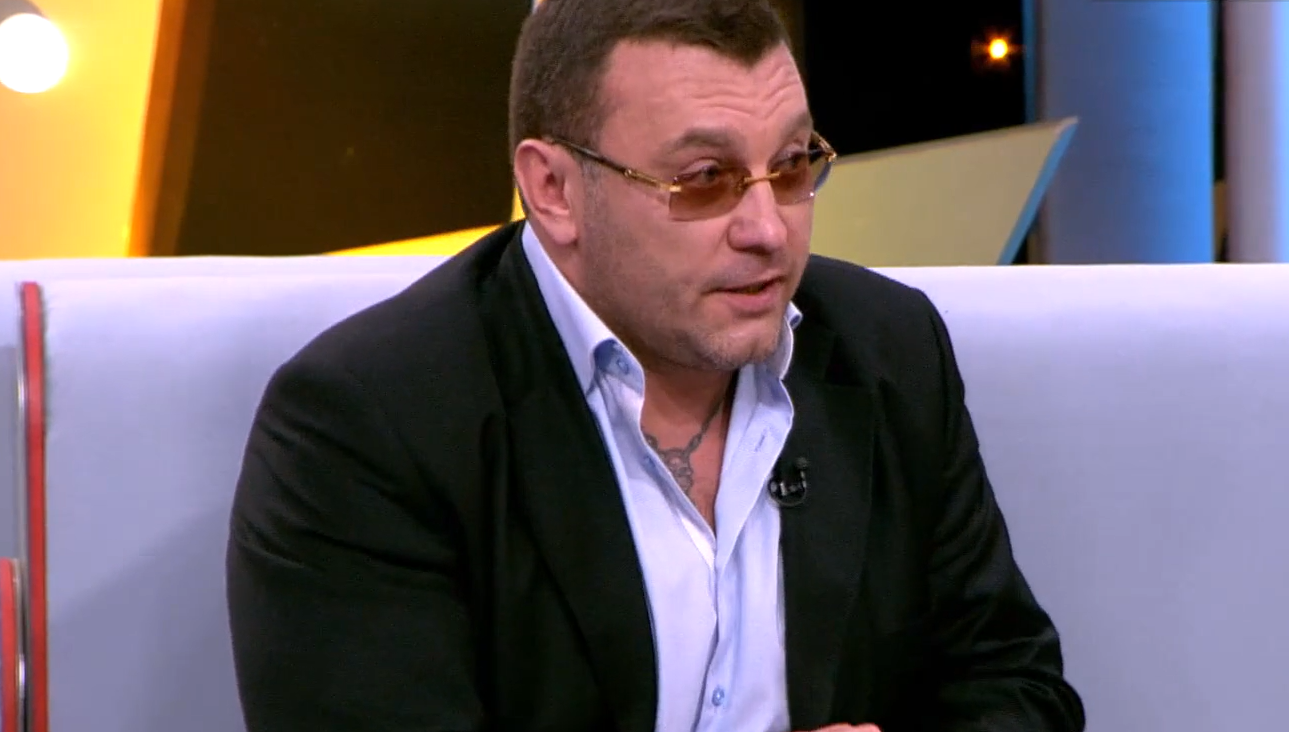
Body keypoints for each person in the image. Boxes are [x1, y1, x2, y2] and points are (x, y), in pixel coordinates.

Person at [225, 0, 1086, 730]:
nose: (768, 229)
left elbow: (1015, 685)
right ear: (554, 190)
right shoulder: (371, 421)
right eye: (705, 178)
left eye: (791, 166)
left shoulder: (886, 347)